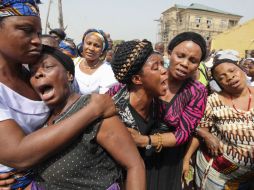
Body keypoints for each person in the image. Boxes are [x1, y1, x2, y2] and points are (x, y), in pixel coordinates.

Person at [0, 1, 119, 189]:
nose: (37, 40)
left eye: (38, 33)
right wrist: (92, 110)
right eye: (26, 30)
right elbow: (18, 154)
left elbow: (71, 109)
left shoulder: (34, 76)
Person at [27, 45, 145, 190]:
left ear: (69, 75)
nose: (38, 74)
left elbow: (134, 165)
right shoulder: (39, 118)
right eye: (32, 72)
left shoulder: (93, 109)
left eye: (47, 67)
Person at [109, 32, 208, 190]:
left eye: (193, 60)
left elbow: (183, 134)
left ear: (199, 65)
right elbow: (111, 100)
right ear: (169, 53)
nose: (184, 63)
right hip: (134, 155)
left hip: (168, 161)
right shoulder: (143, 78)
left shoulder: (197, 91)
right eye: (180, 55)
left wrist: (145, 140)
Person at [184, 50, 254, 190]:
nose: (230, 77)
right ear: (218, 83)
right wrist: (186, 160)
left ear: (242, 70)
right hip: (219, 175)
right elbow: (199, 129)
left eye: (232, 70)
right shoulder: (212, 102)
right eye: (222, 77)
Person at [107, 39, 168, 189]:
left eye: (163, 64)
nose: (164, 70)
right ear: (137, 79)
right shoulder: (114, 116)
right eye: (156, 67)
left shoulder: (157, 106)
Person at [74, 29, 117, 94]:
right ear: (83, 45)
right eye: (88, 43)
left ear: (102, 50)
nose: (91, 48)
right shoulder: (74, 63)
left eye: (97, 46)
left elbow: (104, 99)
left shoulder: (107, 70)